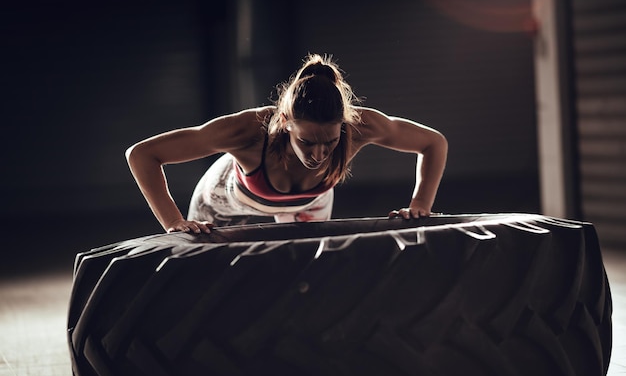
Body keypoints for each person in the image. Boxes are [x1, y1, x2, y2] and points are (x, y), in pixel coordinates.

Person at [126, 53, 448, 234]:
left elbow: (434, 143)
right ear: (284, 124)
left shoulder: (359, 127)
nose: (319, 155)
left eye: (331, 142)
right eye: (307, 142)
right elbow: (142, 155)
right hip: (226, 202)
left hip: (310, 202)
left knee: (307, 278)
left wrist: (421, 203)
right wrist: (173, 222)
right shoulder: (250, 131)